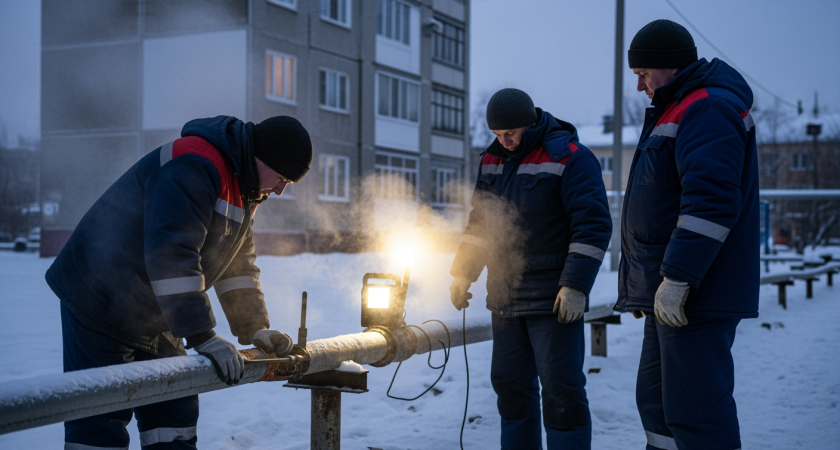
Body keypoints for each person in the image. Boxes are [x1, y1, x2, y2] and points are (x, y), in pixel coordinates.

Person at [46, 115, 313, 449]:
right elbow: (171, 253)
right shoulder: (195, 163)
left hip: (154, 308)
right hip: (99, 298)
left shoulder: (245, 189)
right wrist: (203, 336)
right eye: (282, 178)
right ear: (263, 157)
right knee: (101, 418)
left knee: (174, 410)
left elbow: (237, 267)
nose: (281, 190)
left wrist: (255, 327)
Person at [614, 19, 760, 450]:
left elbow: (710, 201)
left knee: (696, 413)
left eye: (643, 74)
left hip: (697, 292)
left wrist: (679, 277)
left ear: (670, 66)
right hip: (670, 291)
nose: (639, 86)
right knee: (659, 406)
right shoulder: (679, 107)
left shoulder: (706, 107)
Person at [449, 88, 612, 449]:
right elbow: (480, 224)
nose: (504, 142)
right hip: (505, 299)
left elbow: (593, 226)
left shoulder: (570, 157)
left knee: (561, 393)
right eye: (497, 134)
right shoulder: (491, 160)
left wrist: (575, 285)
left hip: (553, 303)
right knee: (511, 391)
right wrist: (463, 273)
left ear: (530, 123)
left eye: (510, 133)